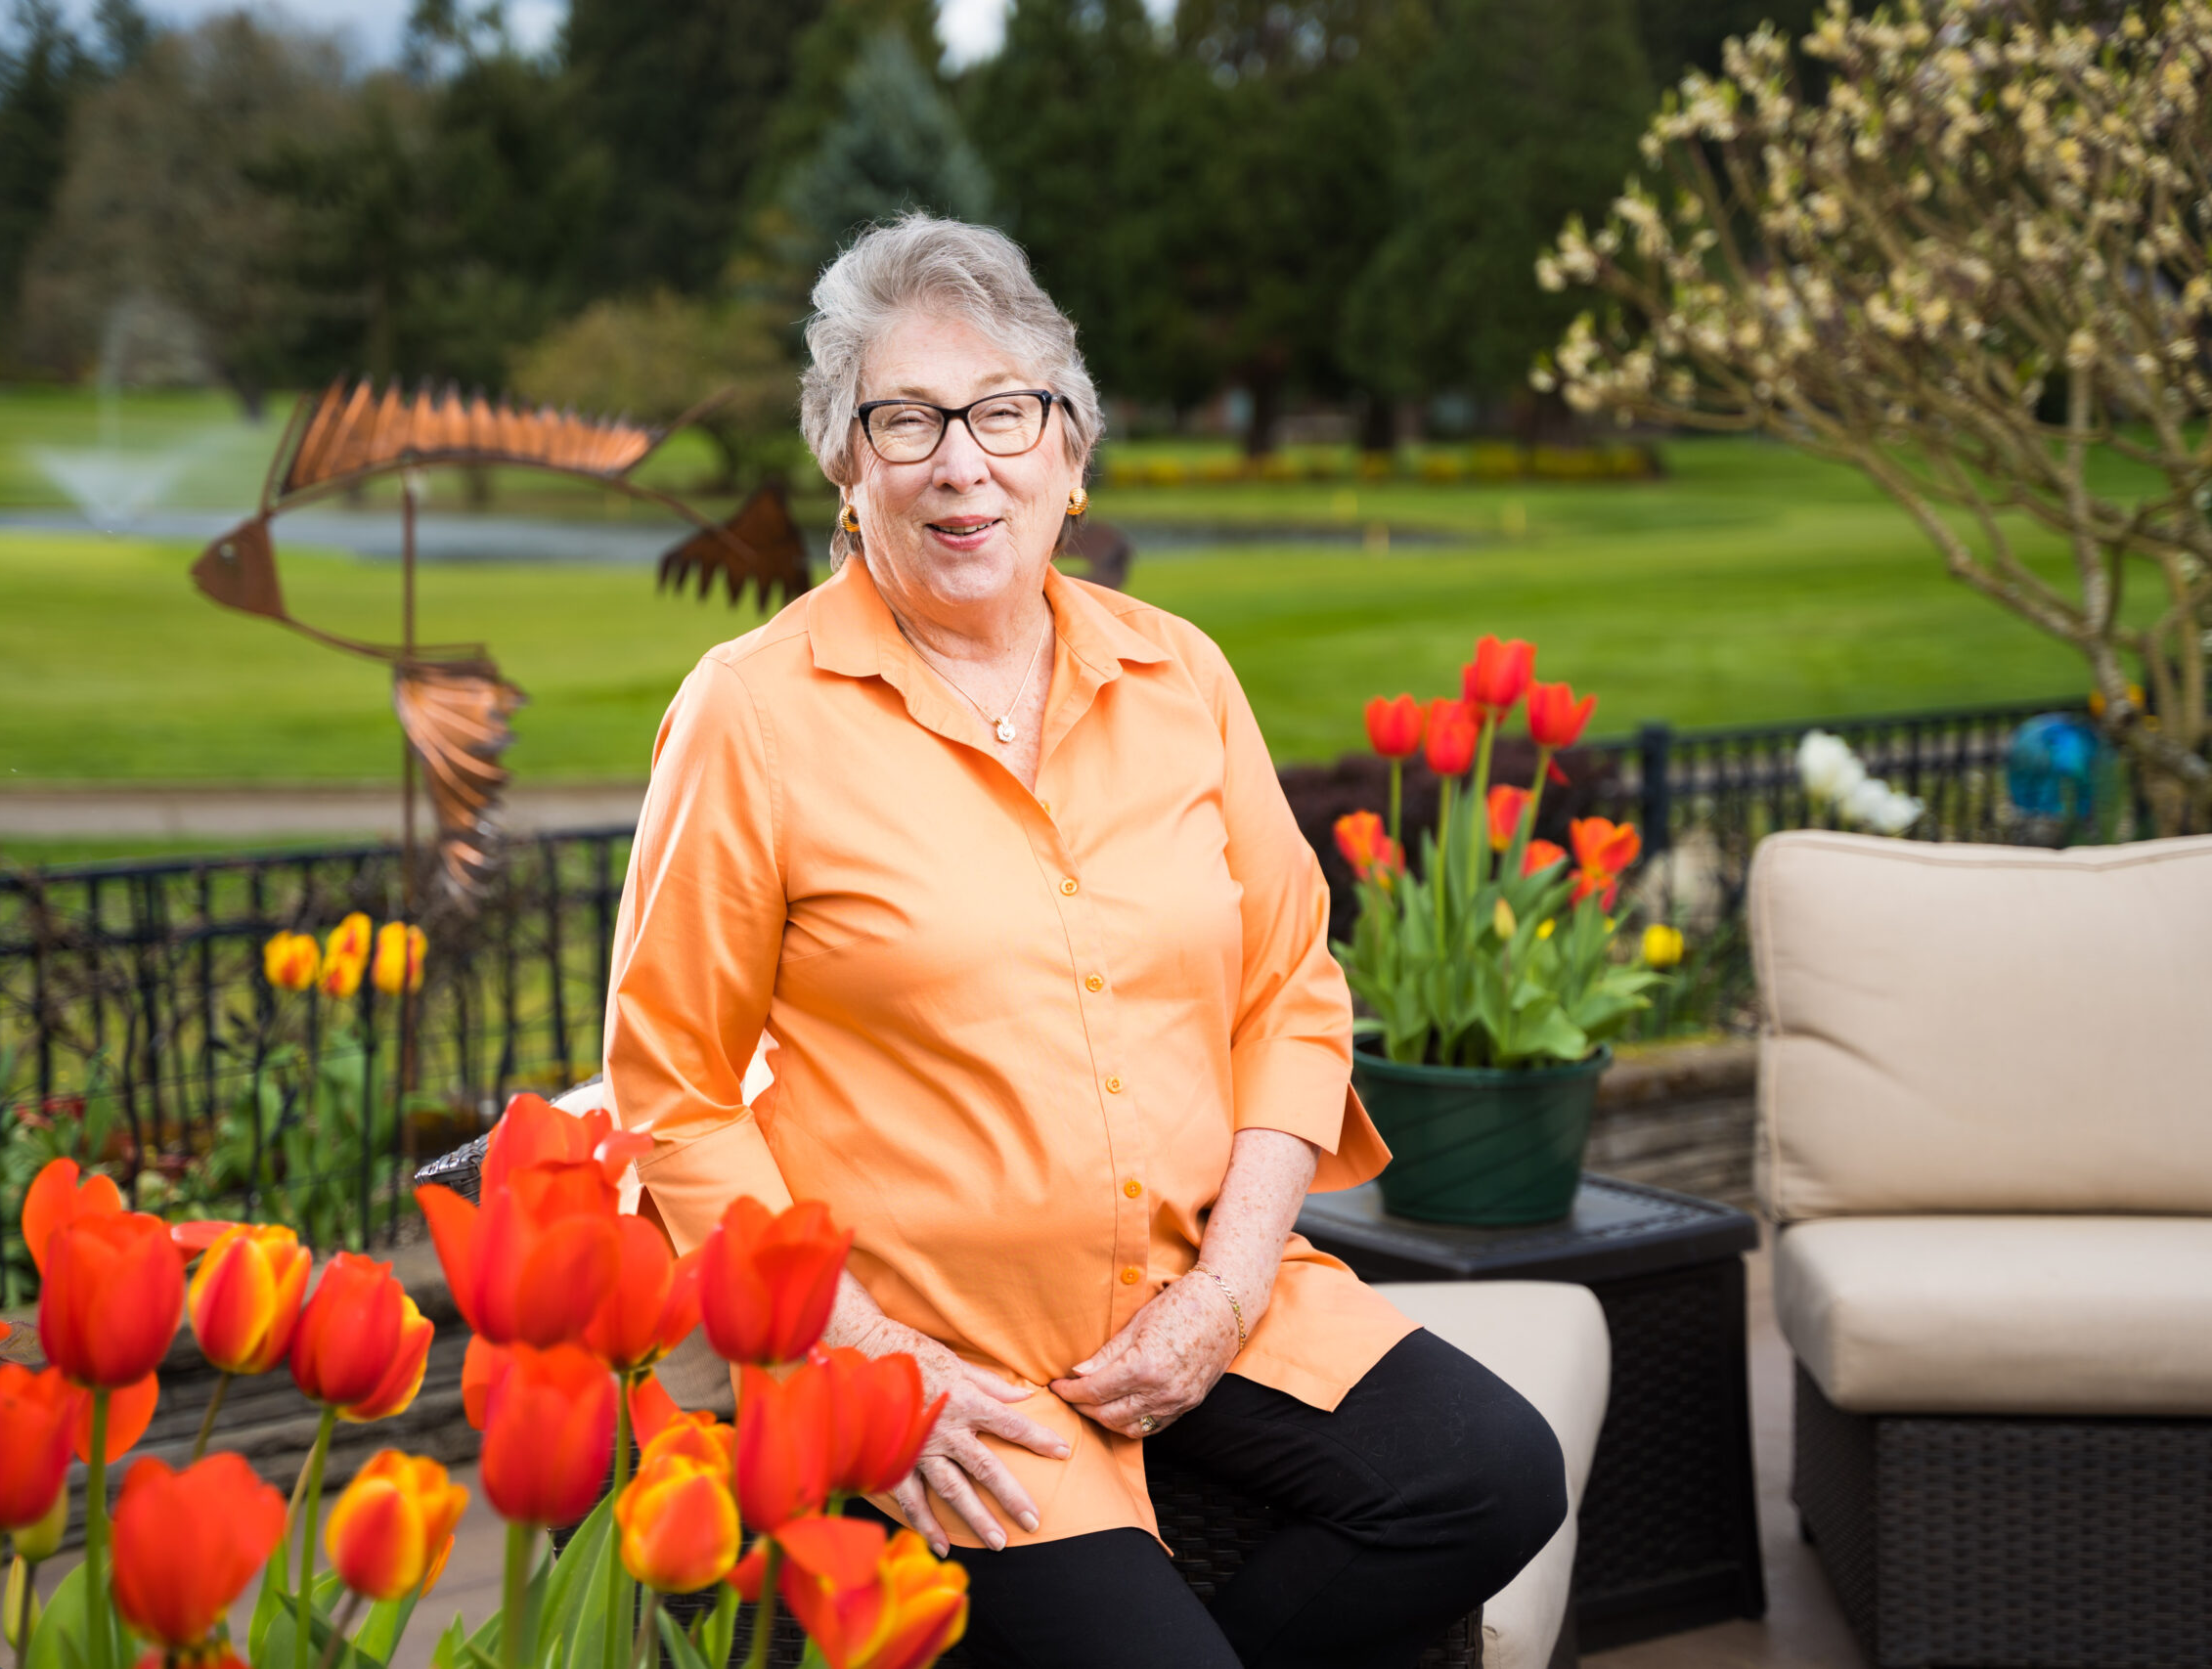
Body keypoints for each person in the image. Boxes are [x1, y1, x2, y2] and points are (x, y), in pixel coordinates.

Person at [605, 215, 1565, 1669]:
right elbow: (672, 1084)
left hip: (1202, 1286)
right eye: (905, 419)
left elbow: (1290, 993)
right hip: (946, 1346)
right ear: (843, 464)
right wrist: (868, 1354)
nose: (959, 460)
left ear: (1069, 452)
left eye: (1002, 412)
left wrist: (1230, 1288)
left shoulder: (1179, 673)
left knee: (1491, 1476)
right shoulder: (752, 715)